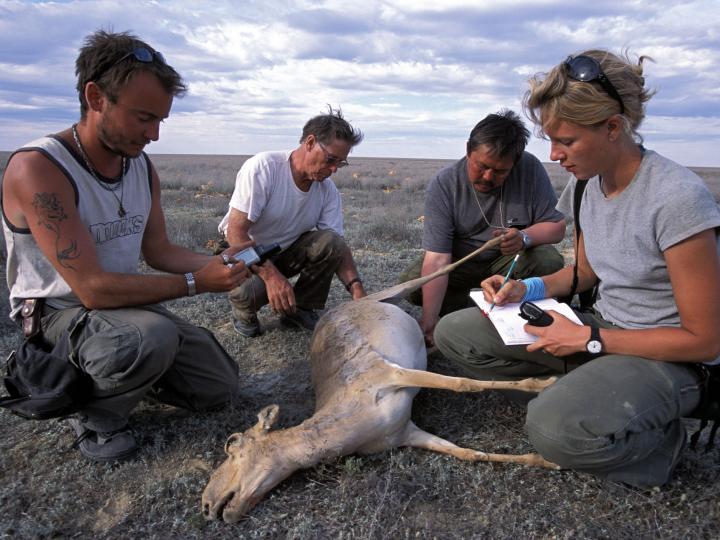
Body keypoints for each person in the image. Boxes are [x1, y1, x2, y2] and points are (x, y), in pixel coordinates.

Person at [434, 49, 720, 487]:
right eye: (551, 140)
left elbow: (704, 340)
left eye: (565, 141)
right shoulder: (586, 184)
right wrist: (522, 289)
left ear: (611, 128)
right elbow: (583, 275)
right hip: (601, 329)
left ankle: (661, 444)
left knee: (552, 429)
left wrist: (588, 340)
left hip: (669, 357)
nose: (554, 155)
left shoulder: (678, 198)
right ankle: (595, 385)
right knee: (455, 333)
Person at [0, 30, 253, 462]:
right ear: (96, 97)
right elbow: (92, 289)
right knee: (151, 337)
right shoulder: (38, 169)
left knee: (219, 386)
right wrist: (196, 282)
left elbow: (158, 252)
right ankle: (96, 415)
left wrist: (219, 262)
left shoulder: (139, 165)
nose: (153, 134)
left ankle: (127, 369)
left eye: (160, 120)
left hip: (118, 308)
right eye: (143, 117)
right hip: (59, 315)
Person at [399, 110, 566, 346]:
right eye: (481, 166)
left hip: (508, 265)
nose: (488, 177)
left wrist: (524, 237)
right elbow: (438, 260)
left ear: (515, 163)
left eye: (499, 171)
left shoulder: (530, 169)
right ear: (468, 150)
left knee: (548, 260)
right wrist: (429, 321)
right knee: (413, 284)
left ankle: (499, 303)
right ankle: (478, 303)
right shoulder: (445, 184)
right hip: (461, 263)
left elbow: (557, 228)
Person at [218, 108, 366, 337]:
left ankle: (301, 308)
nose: (335, 169)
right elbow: (235, 233)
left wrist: (357, 290)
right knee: (247, 292)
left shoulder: (327, 190)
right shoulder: (264, 168)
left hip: (285, 252)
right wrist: (271, 277)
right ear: (310, 142)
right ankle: (243, 311)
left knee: (331, 242)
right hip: (244, 253)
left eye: (341, 163)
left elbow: (338, 245)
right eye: (331, 159)